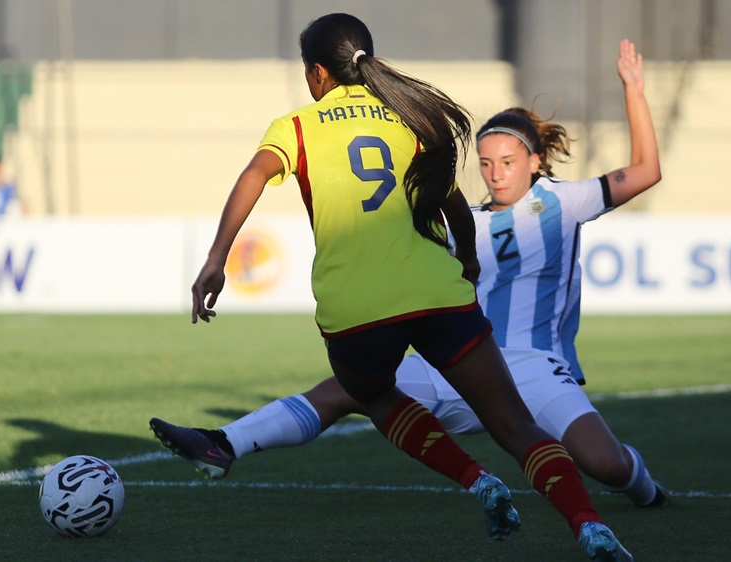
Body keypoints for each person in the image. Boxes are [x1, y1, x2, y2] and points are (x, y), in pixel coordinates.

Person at [151, 13, 632, 561]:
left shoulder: (298, 125)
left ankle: (477, 481)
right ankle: (589, 525)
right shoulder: (410, 120)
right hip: (437, 294)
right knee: (516, 426)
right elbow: (453, 203)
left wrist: (216, 260)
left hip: (355, 308)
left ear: (316, 75)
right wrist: (468, 263)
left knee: (374, 395)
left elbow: (254, 175)